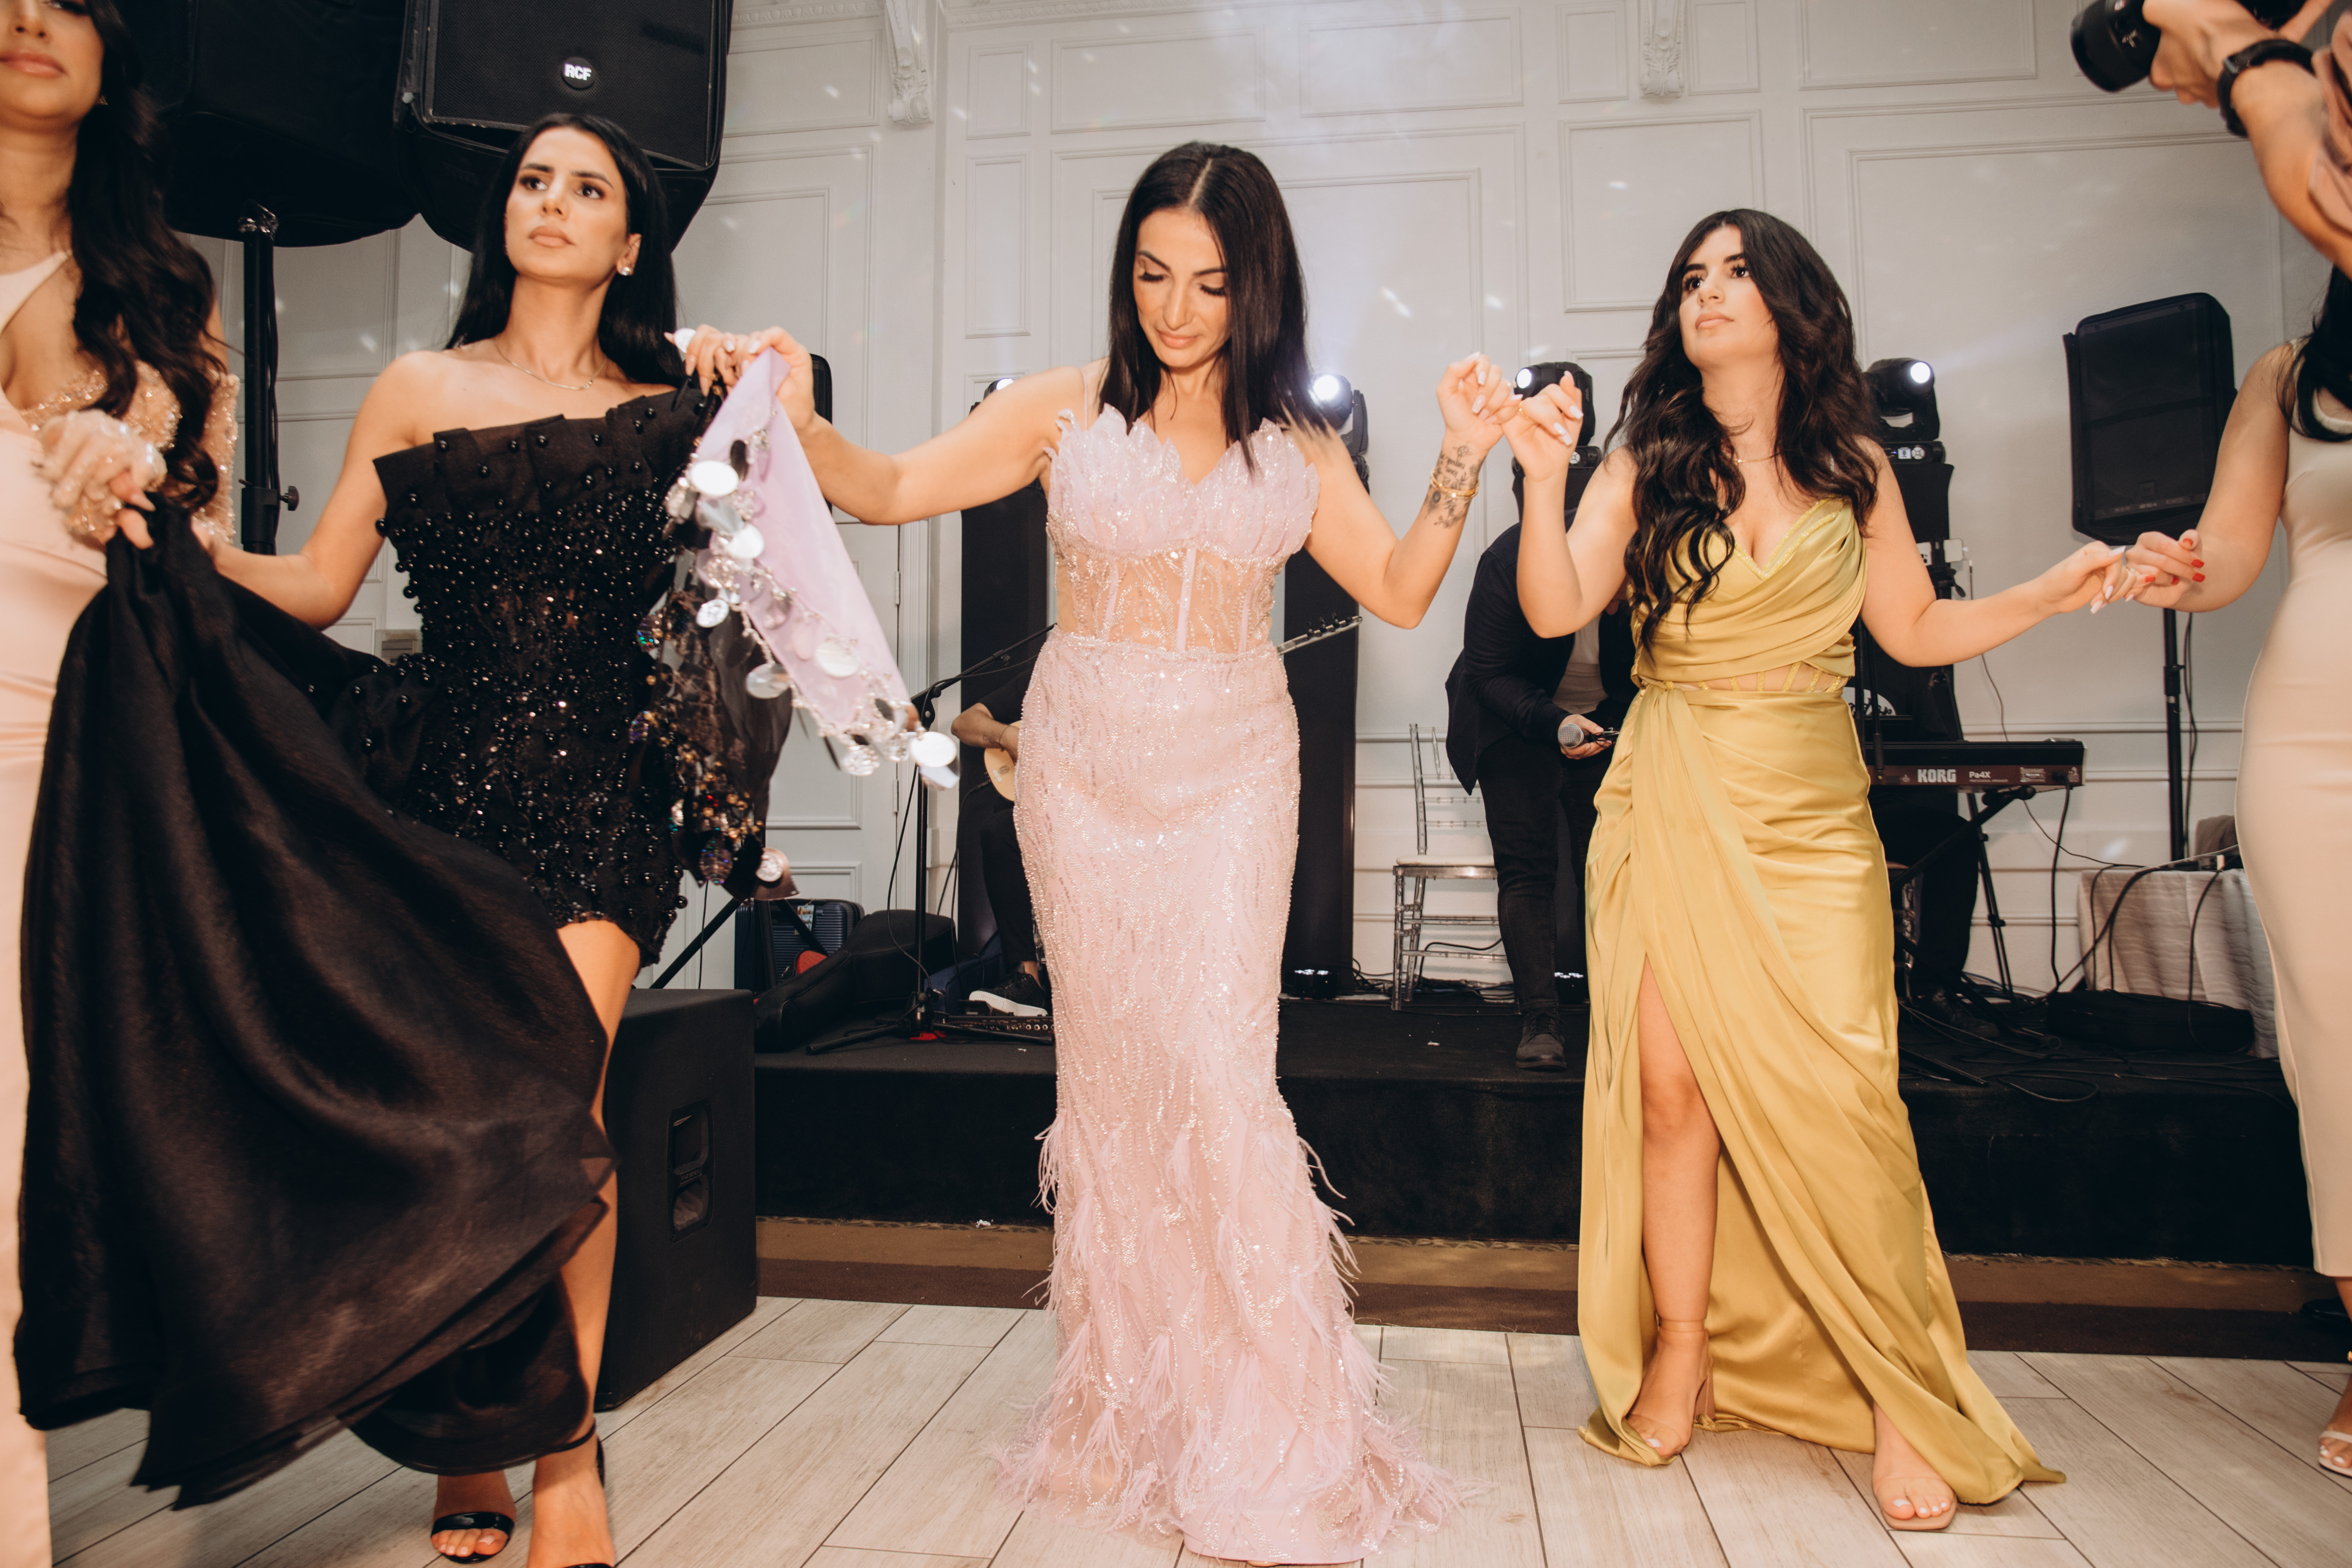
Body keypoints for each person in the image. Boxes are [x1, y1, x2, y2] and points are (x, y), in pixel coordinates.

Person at [760, 140, 1508, 1564]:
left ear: (1255, 286)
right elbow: (891, 486)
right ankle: (1138, 1401)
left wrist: (1462, 456)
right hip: (1084, 772)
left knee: (1218, 1072)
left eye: (1207, 284)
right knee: (1111, 1083)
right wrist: (801, 419)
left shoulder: (1295, 449)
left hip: (1233, 771)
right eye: (1152, 274)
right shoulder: (1061, 409)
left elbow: (1403, 591)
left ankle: (1267, 1421)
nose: (1173, 309)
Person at [206, 111, 777, 1567]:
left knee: (555, 1116)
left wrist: (750, 375)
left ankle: (566, 1450)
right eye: (531, 181)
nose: (550, 202)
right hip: (439, 794)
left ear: (629, 244)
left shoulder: (671, 406)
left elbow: (783, 516)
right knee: (459, 1128)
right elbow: (321, 584)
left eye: (586, 188)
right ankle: (469, 1433)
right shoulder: (416, 387)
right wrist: (189, 552)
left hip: (605, 800)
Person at [1507, 208, 2116, 1528]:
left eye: (1734, 272)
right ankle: (1682, 1349)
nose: (1706, 292)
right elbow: (1554, 607)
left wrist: (2049, 591)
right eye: (1690, 276)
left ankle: (1900, 1389)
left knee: (1849, 1102)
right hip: (1672, 785)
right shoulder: (1644, 457)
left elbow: (1913, 626)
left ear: (1791, 304)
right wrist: (1540, 481)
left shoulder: (1853, 462)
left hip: (1810, 808)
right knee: (1671, 1093)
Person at [0, 1, 235, 1556]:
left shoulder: (158, 299)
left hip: (48, 751)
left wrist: (140, 492)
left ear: (111, 60)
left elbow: (199, 573)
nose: (27, 15)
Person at [2099, 268, 2352, 1476]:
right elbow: (2233, 556)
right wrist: (2171, 570)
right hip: (2316, 742)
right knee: (2336, 1050)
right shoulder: (2291, 379)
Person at [1441, 470, 1633, 1071]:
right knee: (1527, 866)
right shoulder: (1510, 560)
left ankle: (1620, 1017)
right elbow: (1487, 674)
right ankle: (1540, 1019)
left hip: (1604, 718)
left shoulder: (1655, 561)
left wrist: (1616, 726)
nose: (1621, 603)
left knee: (1609, 869)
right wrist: (1554, 724)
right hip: (1512, 716)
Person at [949, 663, 1050, 1016]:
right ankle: (1027, 980)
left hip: (1107, 813)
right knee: (1000, 829)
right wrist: (1008, 737)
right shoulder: (1045, 674)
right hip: (1048, 811)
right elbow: (964, 723)